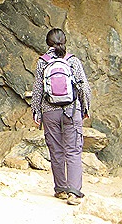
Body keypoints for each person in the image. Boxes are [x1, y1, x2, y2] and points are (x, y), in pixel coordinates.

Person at [32, 28, 92, 206]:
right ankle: (74, 192)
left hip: (50, 111)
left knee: (56, 150)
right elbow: (83, 86)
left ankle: (61, 189)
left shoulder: (43, 62)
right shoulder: (72, 60)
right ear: (64, 42)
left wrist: (36, 111)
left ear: (47, 43)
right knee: (73, 150)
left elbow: (38, 89)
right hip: (72, 110)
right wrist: (85, 107)